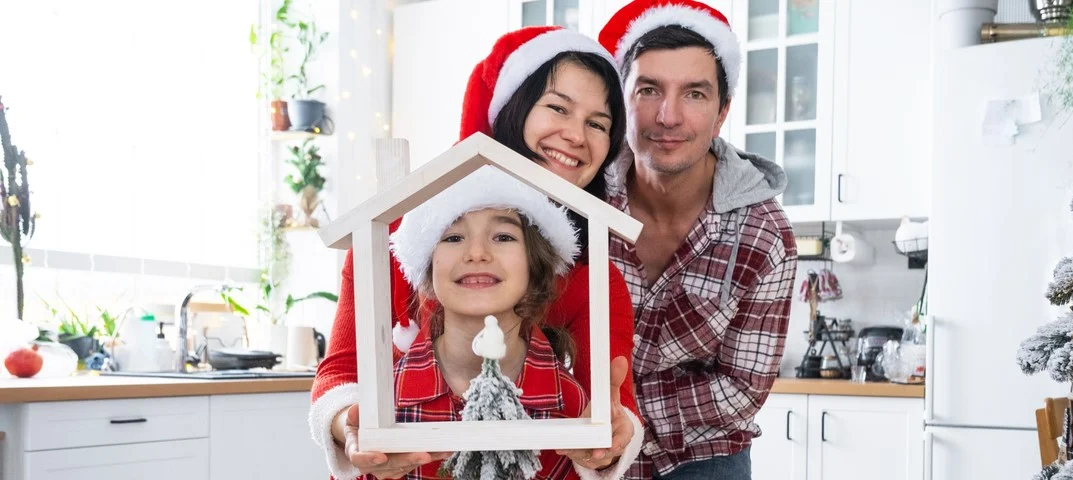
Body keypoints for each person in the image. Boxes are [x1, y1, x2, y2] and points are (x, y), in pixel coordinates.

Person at [308, 26, 644, 480]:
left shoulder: (594, 282)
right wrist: (348, 423)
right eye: (557, 107)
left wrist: (611, 439)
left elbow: (610, 405)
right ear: (515, 109)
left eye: (598, 124)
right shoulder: (392, 237)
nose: (575, 135)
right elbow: (343, 369)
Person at [596, 1, 800, 479]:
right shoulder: (582, 200)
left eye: (694, 94)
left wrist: (623, 416)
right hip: (587, 440)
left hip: (701, 449)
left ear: (721, 112)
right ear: (623, 102)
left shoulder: (764, 235)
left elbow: (740, 389)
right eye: (649, 89)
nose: (668, 116)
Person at [387, 166, 591, 480]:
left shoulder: (568, 402)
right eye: (453, 236)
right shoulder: (387, 400)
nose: (477, 253)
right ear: (428, 267)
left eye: (503, 236)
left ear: (532, 265)